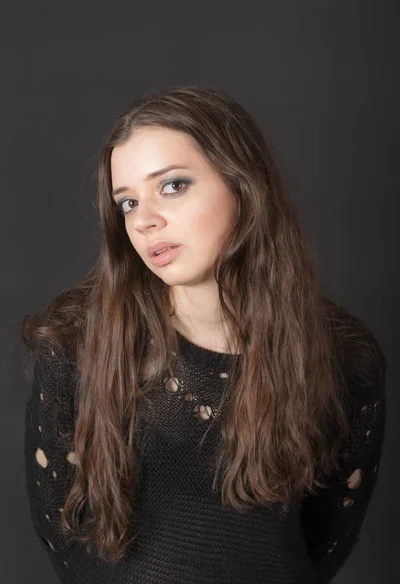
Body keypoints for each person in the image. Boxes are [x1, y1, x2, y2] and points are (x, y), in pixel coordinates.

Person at [22, 84, 386, 584]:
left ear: (243, 183)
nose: (145, 221)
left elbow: (326, 538)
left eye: (172, 185)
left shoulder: (345, 354)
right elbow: (60, 530)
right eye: (127, 203)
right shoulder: (76, 342)